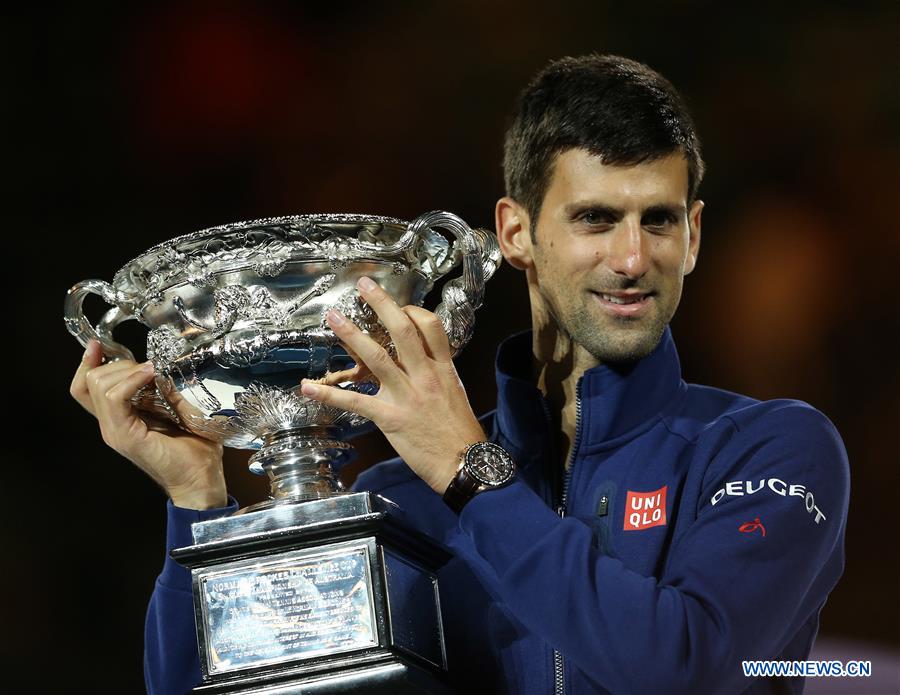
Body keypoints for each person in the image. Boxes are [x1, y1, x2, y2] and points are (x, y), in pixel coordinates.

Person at [70, 54, 849, 694]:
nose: (633, 258)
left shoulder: (766, 450)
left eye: (660, 219)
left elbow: (687, 668)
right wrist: (196, 504)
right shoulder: (401, 505)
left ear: (695, 234)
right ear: (516, 233)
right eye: (595, 218)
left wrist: (471, 475)